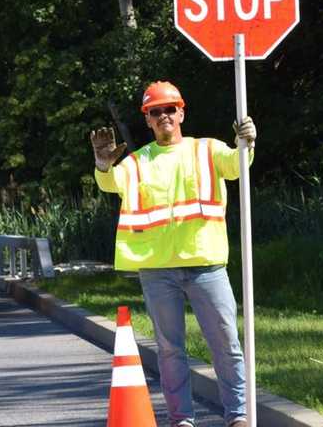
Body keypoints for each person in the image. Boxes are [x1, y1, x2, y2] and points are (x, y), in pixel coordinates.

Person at [90, 81, 256, 427]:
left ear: (181, 112)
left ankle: (238, 415)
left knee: (226, 343)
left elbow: (238, 165)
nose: (163, 115)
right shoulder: (137, 162)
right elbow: (110, 184)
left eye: (169, 109)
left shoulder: (206, 149)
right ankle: (182, 419)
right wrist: (103, 165)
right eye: (155, 111)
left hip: (205, 263)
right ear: (148, 120)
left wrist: (247, 141)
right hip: (158, 269)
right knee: (169, 351)